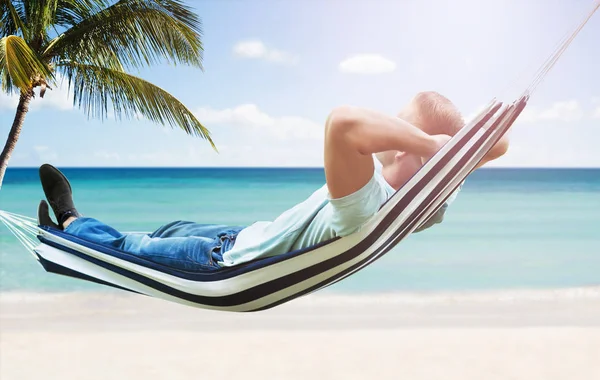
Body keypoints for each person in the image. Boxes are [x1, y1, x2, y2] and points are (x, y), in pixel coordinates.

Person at [38, 91, 509, 271]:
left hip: (221, 262)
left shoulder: (371, 201)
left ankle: (68, 226)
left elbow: (343, 122)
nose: (387, 124)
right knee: (168, 228)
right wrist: (451, 148)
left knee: (131, 247)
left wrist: (434, 146)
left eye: (397, 120)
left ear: (407, 144)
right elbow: (500, 145)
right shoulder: (434, 199)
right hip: (244, 235)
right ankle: (70, 234)